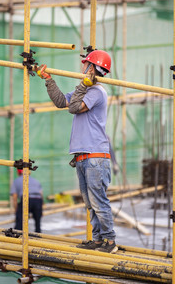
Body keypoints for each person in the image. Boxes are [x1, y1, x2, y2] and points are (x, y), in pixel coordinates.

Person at [35, 50, 117, 254]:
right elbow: (62, 102)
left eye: (85, 64)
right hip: (83, 156)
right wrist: (49, 81)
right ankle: (98, 239)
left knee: (98, 201)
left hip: (95, 156)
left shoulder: (97, 92)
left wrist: (82, 86)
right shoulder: (87, 90)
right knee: (91, 203)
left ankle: (109, 241)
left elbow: (74, 108)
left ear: (92, 68)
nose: (82, 68)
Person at [10, 169, 43, 233]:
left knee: (19, 222)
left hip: (26, 199)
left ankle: (17, 236)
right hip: (38, 200)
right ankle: (38, 237)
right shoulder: (36, 181)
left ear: (18, 173)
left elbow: (15, 198)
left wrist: (16, 211)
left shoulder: (16, 181)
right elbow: (41, 194)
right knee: (38, 223)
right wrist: (41, 210)